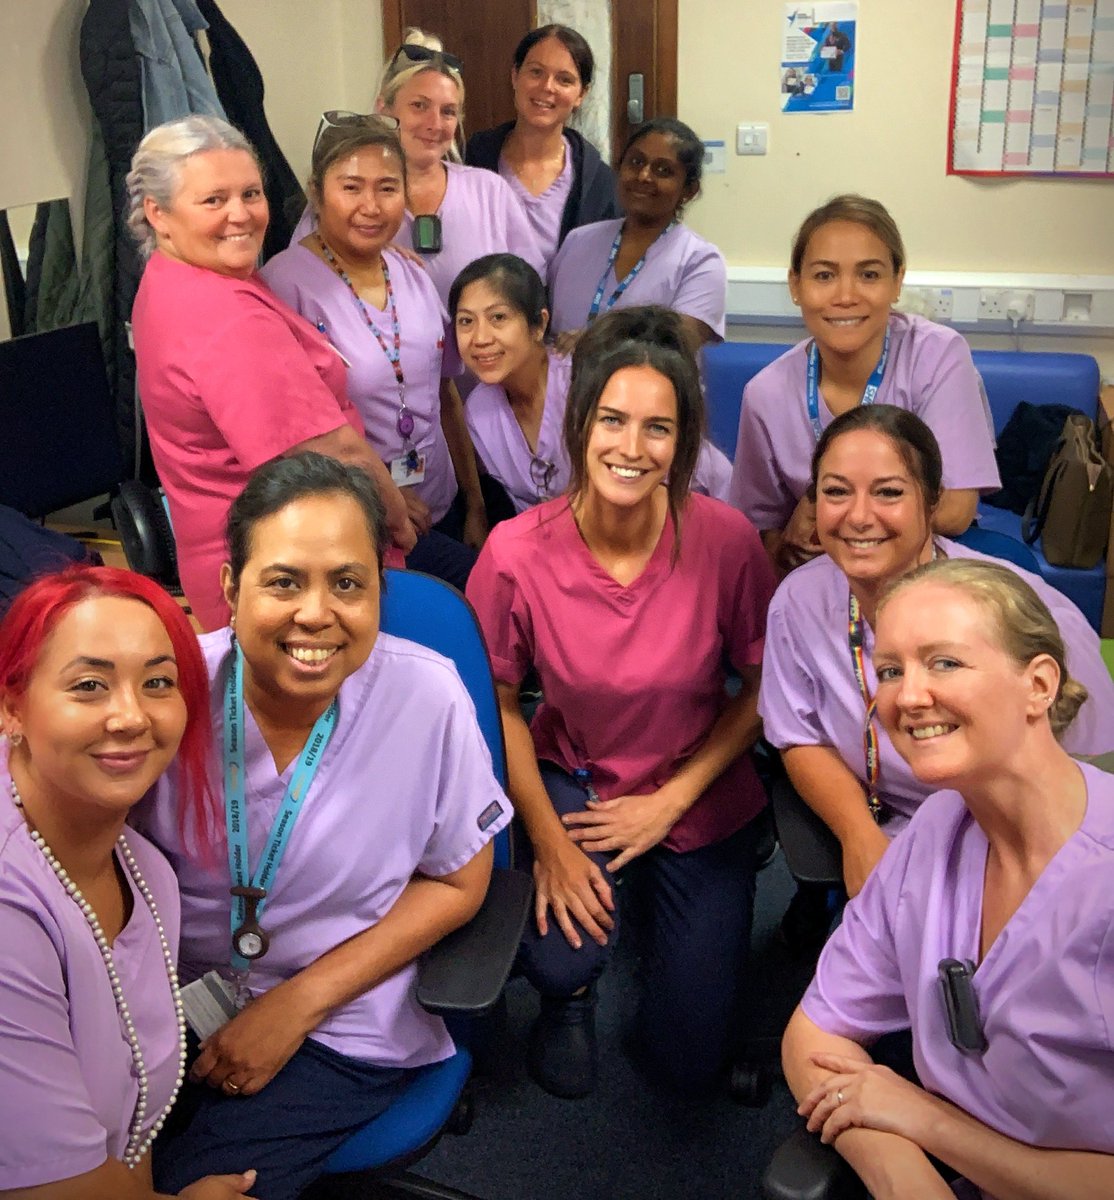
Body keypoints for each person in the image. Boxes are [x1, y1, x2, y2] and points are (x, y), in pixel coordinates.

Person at [136, 453, 509, 1200]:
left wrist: (297, 1004)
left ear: (378, 592)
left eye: (347, 583)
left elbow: (462, 882)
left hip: (343, 1017)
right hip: (166, 998)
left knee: (189, 1185)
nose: (316, 613)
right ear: (230, 589)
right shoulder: (166, 696)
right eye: (283, 581)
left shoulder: (426, 699)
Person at [466, 305, 776, 1098]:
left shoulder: (727, 542)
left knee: (687, 1060)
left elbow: (758, 691)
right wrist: (551, 843)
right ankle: (570, 997)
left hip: (694, 782)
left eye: (657, 428)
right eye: (612, 420)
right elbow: (498, 701)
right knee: (555, 955)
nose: (632, 448)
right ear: (580, 425)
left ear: (683, 442)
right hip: (579, 777)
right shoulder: (516, 553)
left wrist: (669, 803)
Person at [783, 558, 1114, 1200]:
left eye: (944, 662)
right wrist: (904, 1176)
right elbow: (816, 1033)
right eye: (890, 670)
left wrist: (927, 1121)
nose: (908, 697)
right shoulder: (936, 833)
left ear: (1038, 685)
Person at [759, 404, 1114, 899]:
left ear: (931, 503)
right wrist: (858, 835)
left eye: (888, 492)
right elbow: (797, 733)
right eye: (836, 492)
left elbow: (1090, 770)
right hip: (889, 828)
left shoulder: (1030, 614)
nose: (859, 517)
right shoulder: (799, 602)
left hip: (1014, 839)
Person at [0, 565, 257, 1199]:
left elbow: (128, 1123)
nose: (131, 716)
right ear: (13, 707)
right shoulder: (10, 908)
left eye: (158, 682)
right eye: (89, 685)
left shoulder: (142, 868)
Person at [127, 114, 414, 633]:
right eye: (213, 200)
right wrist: (400, 525)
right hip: (288, 575)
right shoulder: (225, 316)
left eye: (251, 194)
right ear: (158, 213)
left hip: (236, 559)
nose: (240, 215)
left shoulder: (170, 277)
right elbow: (333, 454)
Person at [262, 116, 487, 591]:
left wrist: (475, 502)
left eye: (387, 188)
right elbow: (290, 435)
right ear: (317, 192)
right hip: (363, 523)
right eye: (351, 187)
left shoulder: (411, 273)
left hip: (441, 502)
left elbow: (444, 393)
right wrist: (382, 496)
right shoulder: (284, 286)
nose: (371, 206)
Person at [730, 194, 999, 573]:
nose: (845, 296)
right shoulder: (766, 393)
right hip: (820, 571)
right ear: (795, 285)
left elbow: (955, 510)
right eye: (824, 276)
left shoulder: (937, 355)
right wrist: (785, 546)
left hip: (925, 566)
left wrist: (826, 511)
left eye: (869, 275)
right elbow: (759, 529)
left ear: (897, 281)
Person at [450, 253, 733, 513]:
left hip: (673, 514)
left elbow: (677, 466)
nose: (480, 338)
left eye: (498, 317)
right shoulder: (479, 411)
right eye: (466, 321)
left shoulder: (591, 379)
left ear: (539, 324)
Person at [372, 28, 546, 306]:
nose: (435, 124)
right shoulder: (350, 195)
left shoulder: (489, 192)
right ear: (384, 109)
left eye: (448, 111)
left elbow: (529, 292)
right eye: (419, 106)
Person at [547, 117, 726, 351]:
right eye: (636, 162)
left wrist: (596, 342)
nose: (643, 176)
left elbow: (678, 345)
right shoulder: (578, 241)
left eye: (663, 170)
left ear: (689, 191)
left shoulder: (700, 261)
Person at [465, 24, 620, 273]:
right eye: (536, 72)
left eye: (564, 80)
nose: (548, 87)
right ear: (515, 76)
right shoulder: (469, 162)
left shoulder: (600, 186)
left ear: (581, 94)